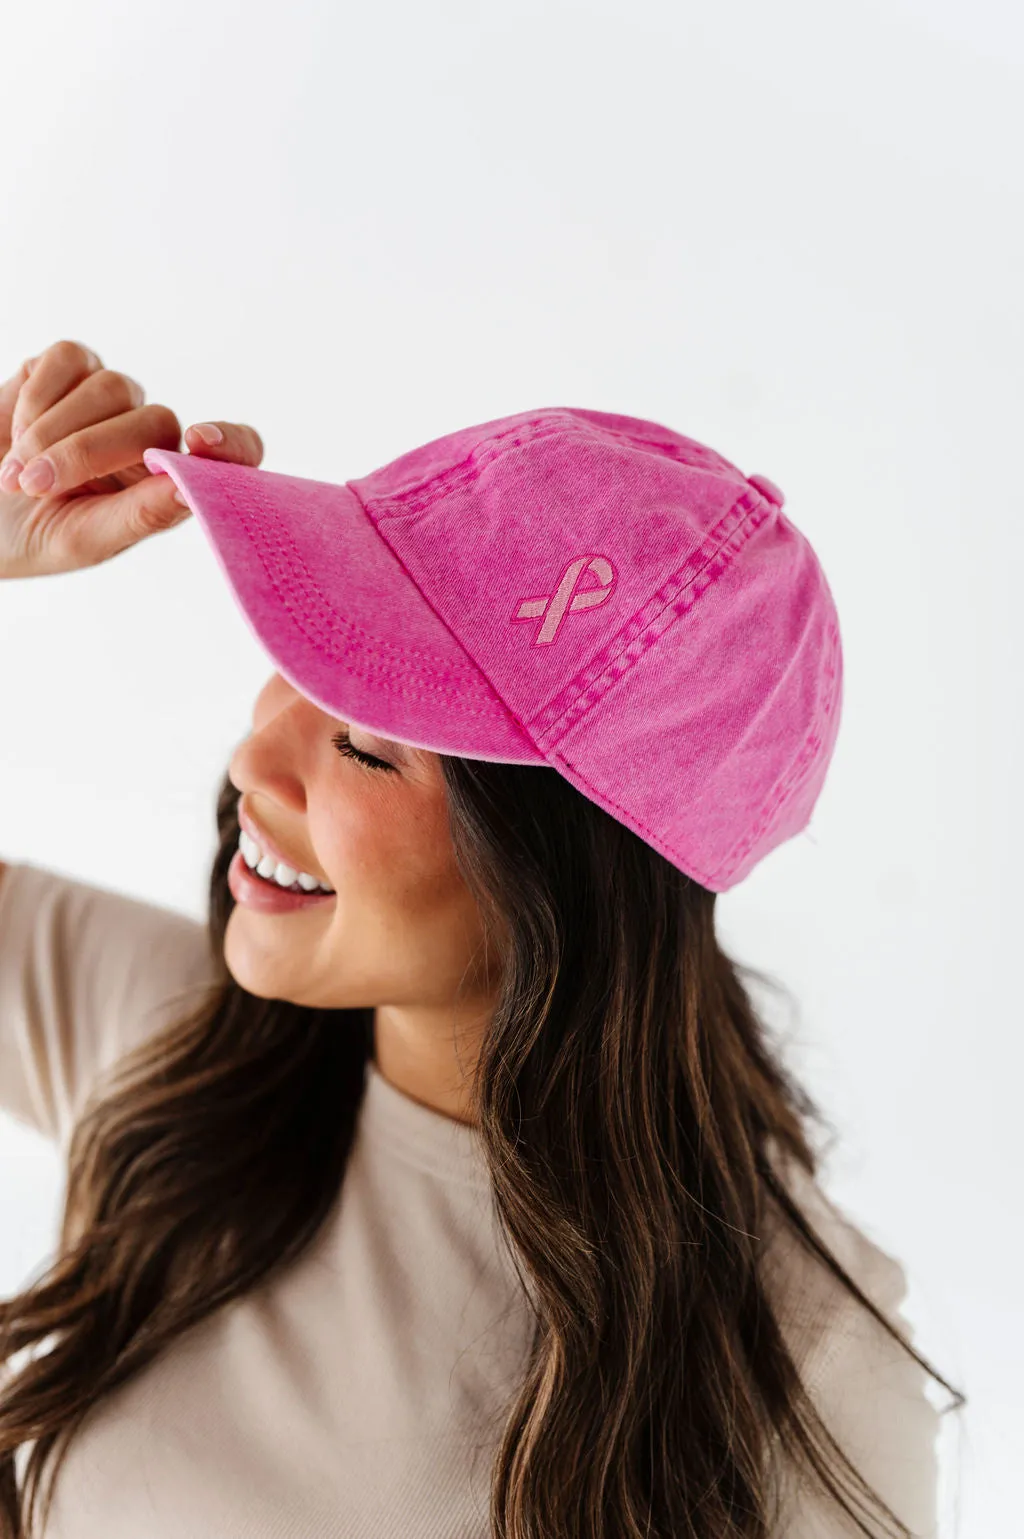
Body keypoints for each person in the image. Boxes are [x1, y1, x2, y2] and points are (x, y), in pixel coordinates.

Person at [0, 340, 962, 1539]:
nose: (254, 760)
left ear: (562, 879)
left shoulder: (803, 1371)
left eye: (365, 744)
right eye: (301, 661)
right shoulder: (170, 1051)